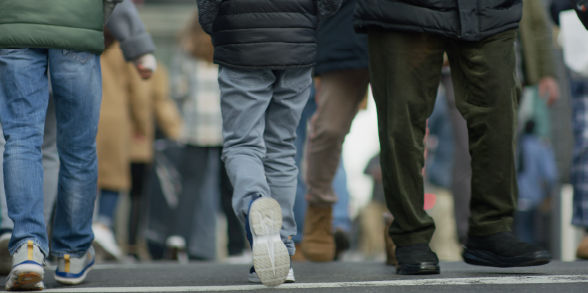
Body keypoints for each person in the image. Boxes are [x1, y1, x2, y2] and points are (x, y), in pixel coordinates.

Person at [355, 0, 551, 275]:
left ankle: (492, 229)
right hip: (404, 8)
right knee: (402, 118)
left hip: (489, 10)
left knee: (499, 114)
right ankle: (410, 235)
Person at [0, 0, 157, 271]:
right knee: (78, 146)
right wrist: (97, 16)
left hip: (16, 23)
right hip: (77, 25)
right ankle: (71, 254)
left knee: (21, 139)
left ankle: (27, 247)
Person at [197, 0, 342, 286]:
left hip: (240, 41)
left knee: (243, 144)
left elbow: (207, 7)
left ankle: (254, 202)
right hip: (297, 42)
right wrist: (307, 22)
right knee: (282, 148)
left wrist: (219, 29)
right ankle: (284, 252)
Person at [299, 0, 369, 262]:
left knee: (403, 130)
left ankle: (400, 223)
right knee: (327, 130)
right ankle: (319, 213)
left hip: (400, 26)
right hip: (342, 33)